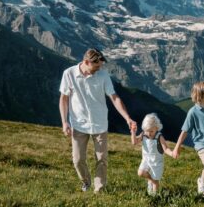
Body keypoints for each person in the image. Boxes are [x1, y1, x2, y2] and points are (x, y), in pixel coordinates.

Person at [59, 48, 138, 193]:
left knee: (102, 159)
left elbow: (114, 97)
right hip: (79, 124)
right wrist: (65, 121)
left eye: (100, 66)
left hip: (100, 123)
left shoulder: (103, 75)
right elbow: (64, 99)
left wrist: (127, 118)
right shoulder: (69, 74)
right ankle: (86, 181)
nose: (99, 69)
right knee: (77, 160)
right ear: (86, 62)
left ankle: (99, 189)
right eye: (96, 66)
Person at [131, 113, 173, 196]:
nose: (149, 133)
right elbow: (134, 142)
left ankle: (154, 197)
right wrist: (133, 132)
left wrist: (172, 153)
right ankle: (151, 180)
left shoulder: (159, 137)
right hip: (146, 160)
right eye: (147, 130)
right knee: (140, 173)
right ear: (144, 129)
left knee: (155, 184)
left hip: (157, 163)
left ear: (157, 128)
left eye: (151, 131)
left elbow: (166, 149)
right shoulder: (143, 135)